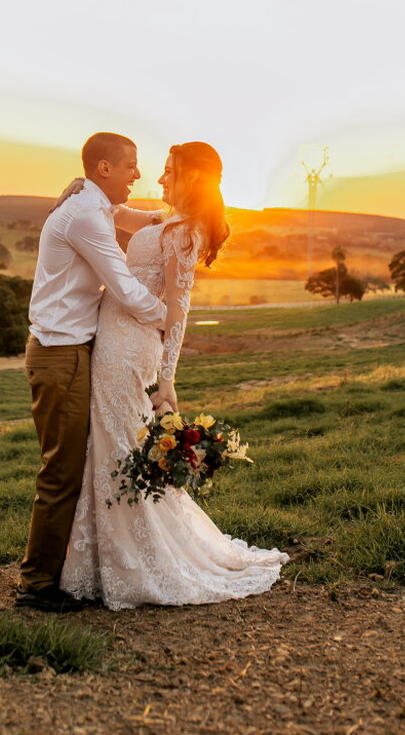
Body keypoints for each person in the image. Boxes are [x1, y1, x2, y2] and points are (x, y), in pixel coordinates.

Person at [60, 141, 289, 609]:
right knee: (110, 441)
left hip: (129, 348)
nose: (159, 179)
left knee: (120, 444)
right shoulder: (164, 220)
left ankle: (141, 560)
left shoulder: (185, 232)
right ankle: (107, 558)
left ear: (192, 178)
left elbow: (178, 311)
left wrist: (167, 380)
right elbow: (118, 213)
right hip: (113, 339)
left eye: (169, 172)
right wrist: (84, 188)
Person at [16, 132, 167, 613]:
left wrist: (182, 218)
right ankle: (36, 586)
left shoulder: (91, 202)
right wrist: (170, 316)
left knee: (72, 465)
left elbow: (135, 217)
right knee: (61, 472)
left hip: (70, 351)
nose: (138, 175)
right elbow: (122, 286)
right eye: (131, 166)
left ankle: (57, 572)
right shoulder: (84, 213)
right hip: (60, 355)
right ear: (103, 169)